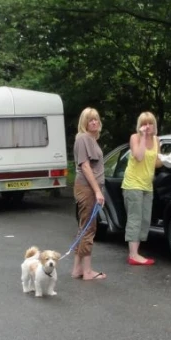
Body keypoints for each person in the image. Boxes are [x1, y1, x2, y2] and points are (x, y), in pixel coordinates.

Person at [121, 111, 171, 266]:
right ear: (140, 126)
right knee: (135, 219)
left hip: (147, 184)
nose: (147, 126)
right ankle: (133, 255)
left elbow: (155, 163)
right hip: (132, 184)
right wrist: (144, 137)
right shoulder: (135, 138)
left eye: (150, 123)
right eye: (144, 123)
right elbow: (139, 156)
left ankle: (136, 252)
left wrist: (167, 159)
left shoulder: (157, 140)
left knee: (145, 220)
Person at [71, 107, 107, 281]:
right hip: (87, 188)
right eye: (90, 119)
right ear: (84, 123)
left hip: (88, 188)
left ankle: (77, 269)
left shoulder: (91, 139)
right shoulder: (83, 138)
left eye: (96, 119)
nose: (94, 122)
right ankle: (87, 271)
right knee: (88, 229)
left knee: (83, 227)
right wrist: (98, 191)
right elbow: (85, 167)